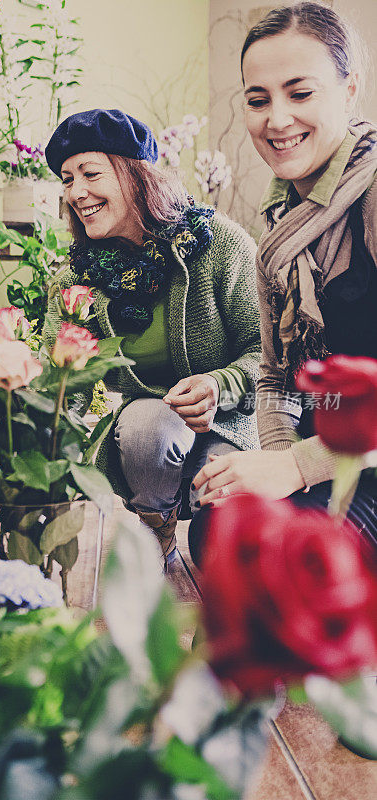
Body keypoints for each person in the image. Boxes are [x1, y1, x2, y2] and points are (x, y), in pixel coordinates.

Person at [191, 1, 377, 556]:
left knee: (274, 556)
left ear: (350, 90)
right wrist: (272, 464)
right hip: (321, 458)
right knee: (220, 529)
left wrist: (297, 467)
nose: (277, 119)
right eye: (257, 99)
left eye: (300, 93)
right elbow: (275, 379)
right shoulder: (279, 229)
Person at [42, 108, 261, 568]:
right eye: (67, 178)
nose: (76, 192)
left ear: (136, 175)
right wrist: (38, 451)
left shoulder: (220, 244)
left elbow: (267, 352)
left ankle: (204, 520)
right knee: (146, 427)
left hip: (230, 419)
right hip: (150, 434)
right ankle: (157, 523)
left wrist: (219, 385)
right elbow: (62, 382)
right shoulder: (77, 277)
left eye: (90, 173)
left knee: (223, 551)